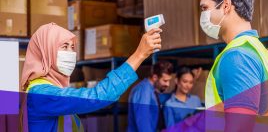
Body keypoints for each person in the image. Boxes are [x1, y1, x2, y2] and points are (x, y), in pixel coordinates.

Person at [21, 22, 162, 132]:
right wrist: (139, 55)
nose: (70, 53)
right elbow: (95, 96)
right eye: (64, 47)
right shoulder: (41, 93)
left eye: (72, 47)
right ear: (46, 52)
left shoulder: (50, 89)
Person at [196, 0, 268, 131]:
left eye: (204, 8)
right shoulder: (259, 51)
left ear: (225, 6)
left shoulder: (237, 57)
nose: (202, 15)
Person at [127, 61, 174, 132]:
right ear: (155, 77)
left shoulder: (151, 90)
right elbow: (143, 121)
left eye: (169, 81)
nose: (168, 84)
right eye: (165, 81)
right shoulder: (143, 91)